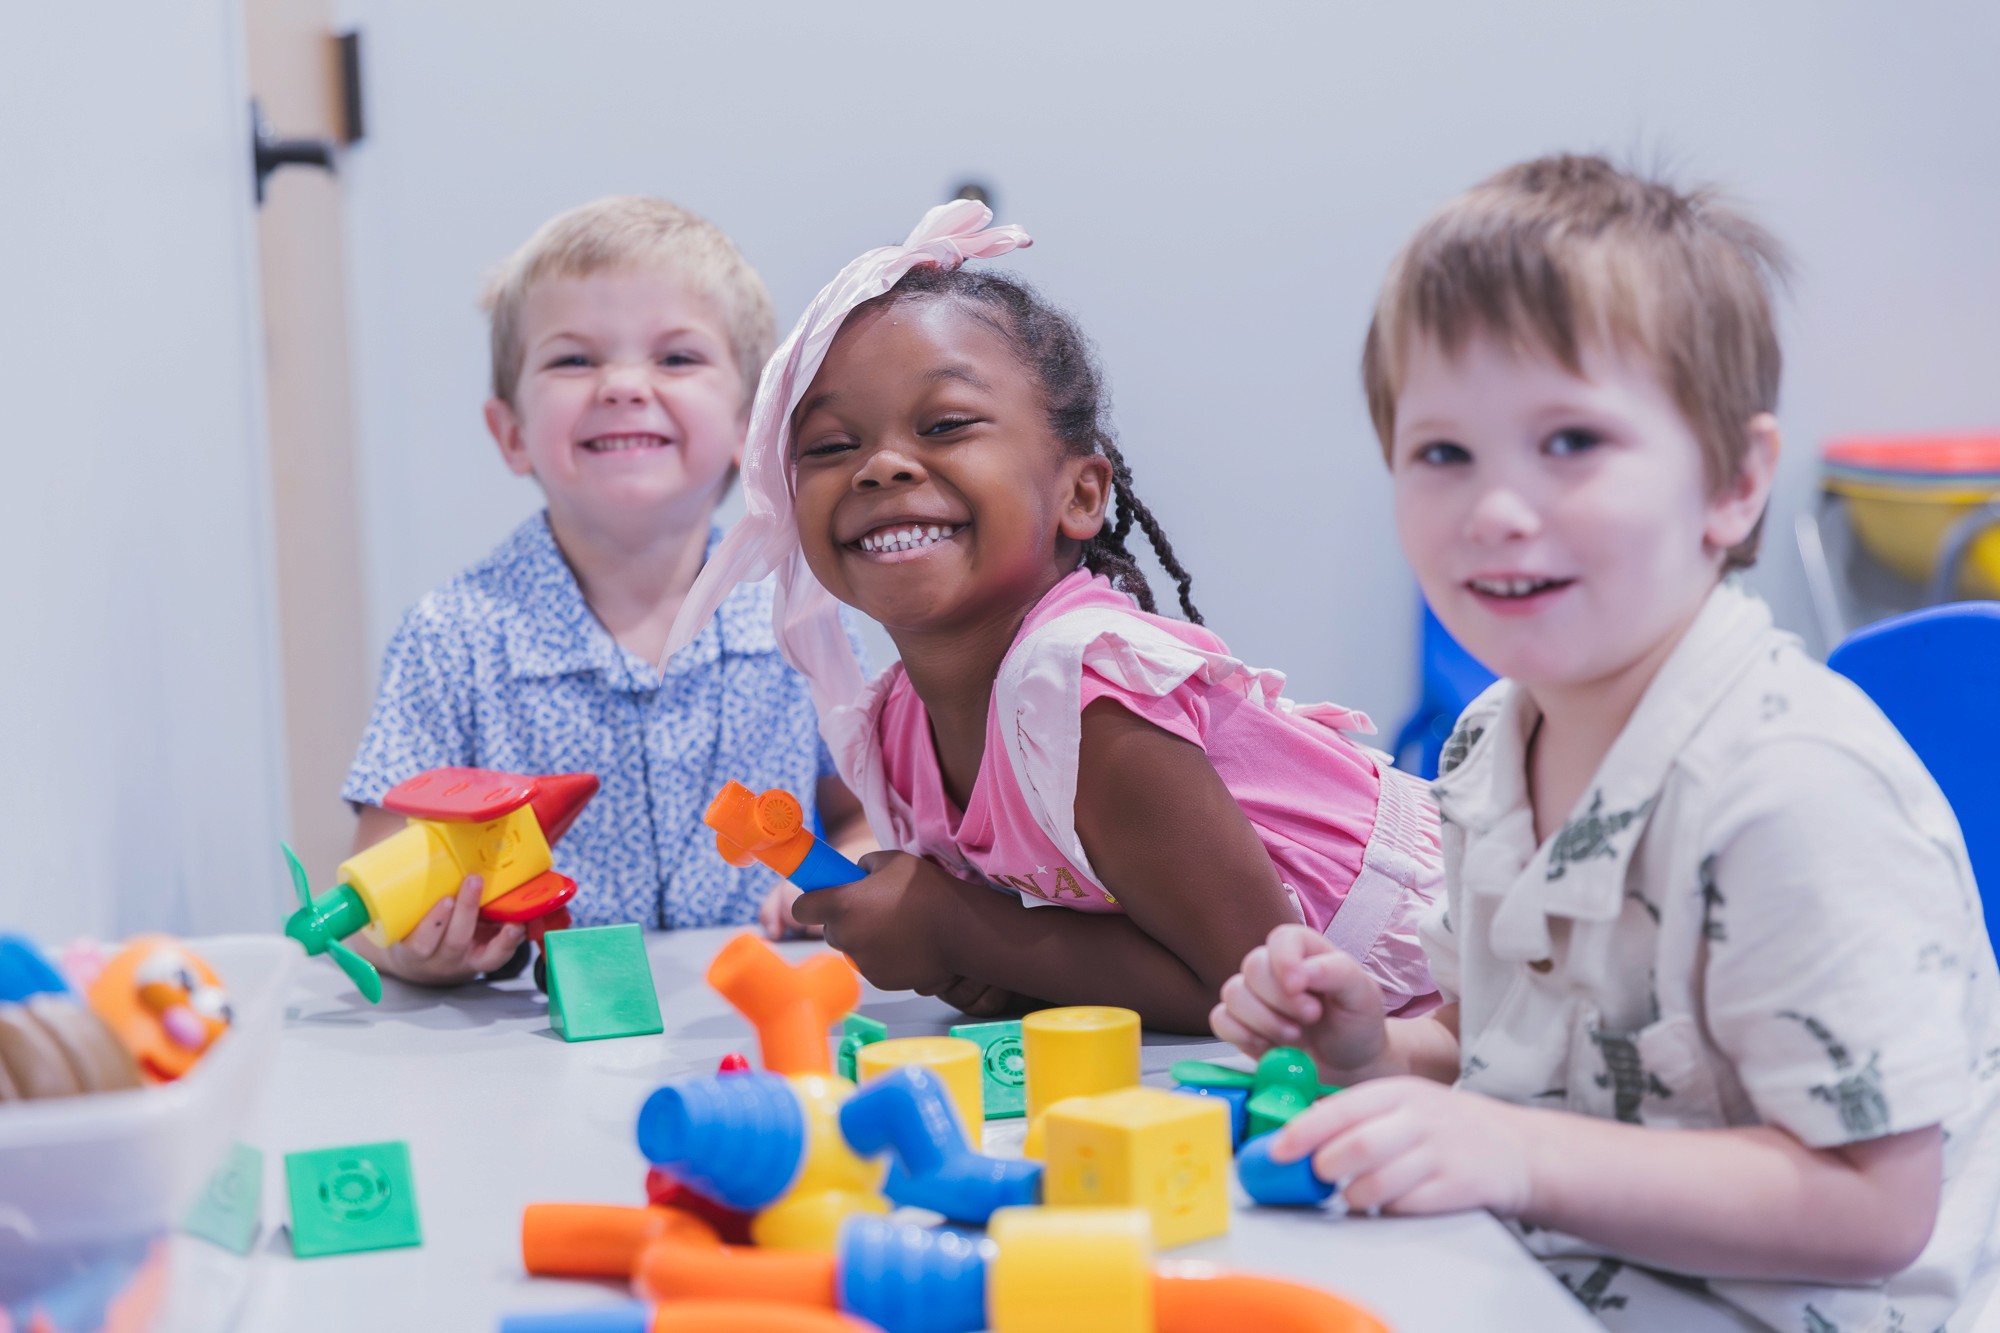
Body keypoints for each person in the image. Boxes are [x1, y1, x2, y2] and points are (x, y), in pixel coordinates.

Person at [1215, 154, 2000, 1329]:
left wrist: (1515, 1155)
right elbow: (1496, 1051)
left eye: (1570, 440)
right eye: (1442, 453)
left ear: (1732, 482)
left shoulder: (1788, 789)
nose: (1494, 509)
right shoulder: (1487, 744)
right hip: (1555, 1272)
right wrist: (1370, 1051)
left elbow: (1874, 1209)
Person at [660, 202, 1440, 1033]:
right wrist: (979, 959)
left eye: (946, 425)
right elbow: (1093, 953)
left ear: (1081, 494)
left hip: (1476, 993)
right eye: (828, 446)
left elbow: (1267, 990)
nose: (880, 466)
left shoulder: (1080, 692)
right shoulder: (895, 729)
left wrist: (959, 930)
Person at [343, 196, 868, 987]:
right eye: (574, 361)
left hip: (750, 1013)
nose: (623, 384)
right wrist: (412, 951)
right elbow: (370, 888)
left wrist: (837, 876)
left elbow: (865, 816)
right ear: (512, 433)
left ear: (748, 426)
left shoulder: (802, 615)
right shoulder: (450, 638)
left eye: (677, 358)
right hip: (520, 1034)